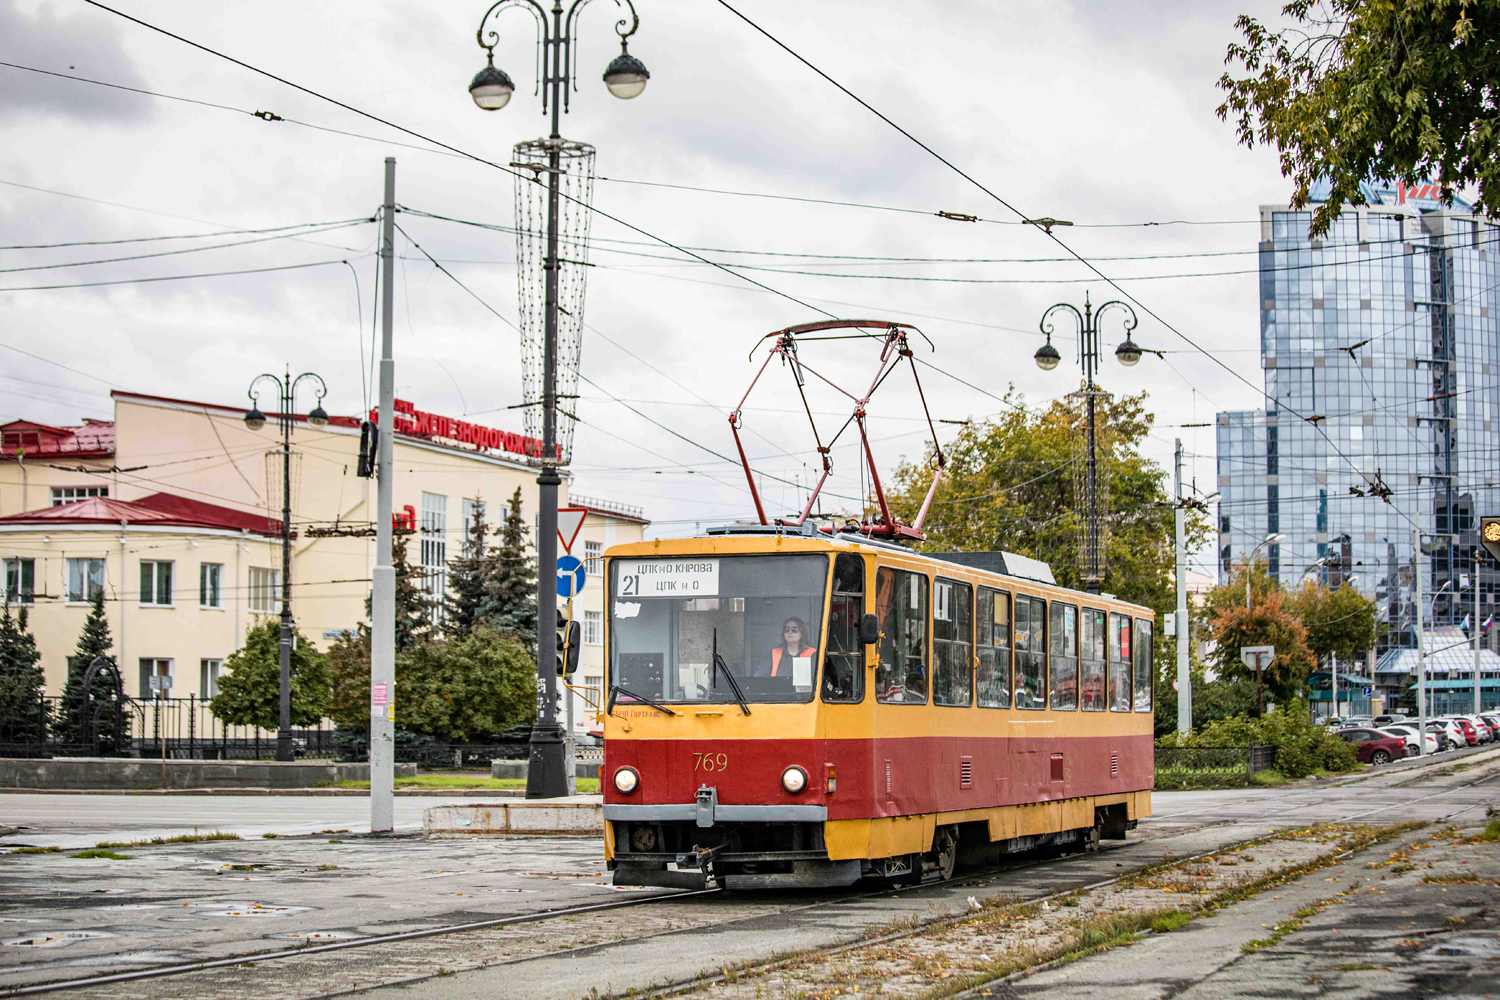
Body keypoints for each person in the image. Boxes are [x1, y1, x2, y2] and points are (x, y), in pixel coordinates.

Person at [766, 617, 816, 682]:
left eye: (794, 629)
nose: (790, 632)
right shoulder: (774, 653)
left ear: (802, 633)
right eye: (787, 629)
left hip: (803, 692)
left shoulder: (812, 654)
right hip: (778, 690)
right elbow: (761, 674)